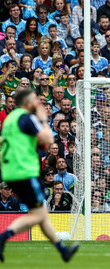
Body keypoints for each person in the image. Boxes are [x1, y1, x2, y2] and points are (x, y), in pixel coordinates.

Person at [0, 90, 79, 262]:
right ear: (28, 103)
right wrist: (43, 118)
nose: (38, 103)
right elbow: (48, 138)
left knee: (41, 213)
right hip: (24, 171)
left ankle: (62, 250)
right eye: (35, 100)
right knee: (38, 215)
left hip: (11, 170)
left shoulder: (11, 119)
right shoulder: (27, 117)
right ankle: (2, 238)